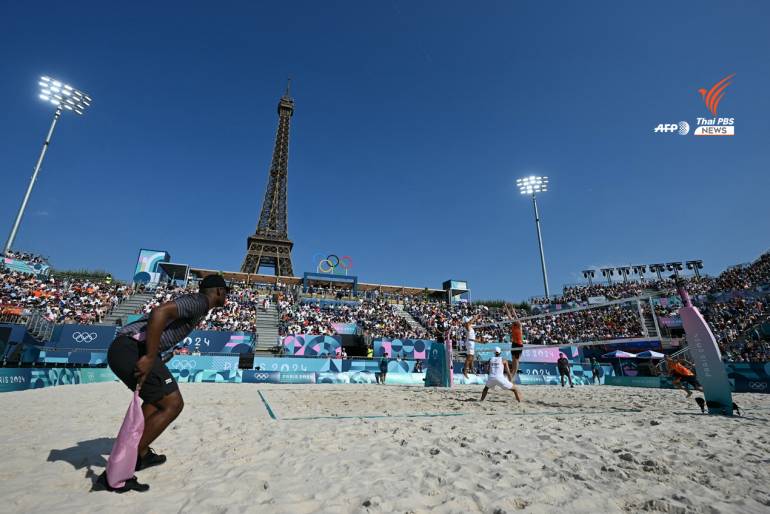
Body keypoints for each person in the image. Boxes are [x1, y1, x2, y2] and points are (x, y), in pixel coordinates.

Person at [99, 274, 229, 492]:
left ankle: (140, 454)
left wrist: (156, 355)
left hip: (125, 349)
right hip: (132, 349)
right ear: (218, 291)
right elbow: (160, 312)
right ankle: (122, 468)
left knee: (155, 402)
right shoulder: (198, 301)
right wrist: (150, 356)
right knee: (172, 404)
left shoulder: (200, 306)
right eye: (226, 292)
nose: (227, 296)